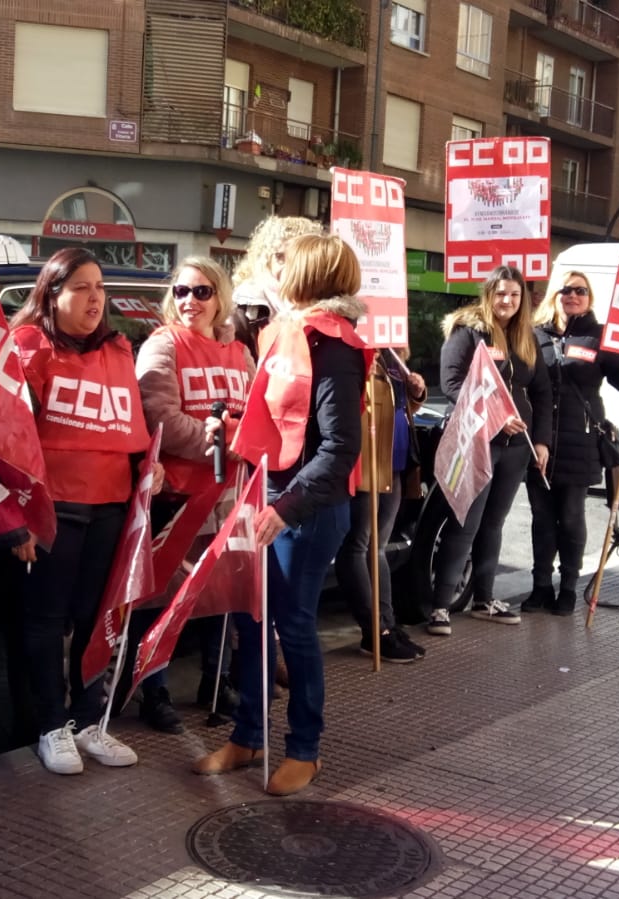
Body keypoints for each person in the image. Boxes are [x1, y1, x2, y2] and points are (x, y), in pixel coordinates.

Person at [196, 233, 369, 796]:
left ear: (310, 275)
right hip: (273, 496)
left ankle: (304, 750)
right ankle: (248, 736)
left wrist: (287, 507)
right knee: (251, 621)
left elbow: (339, 448)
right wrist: (231, 427)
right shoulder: (290, 333)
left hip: (306, 509)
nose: (275, 266)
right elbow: (276, 418)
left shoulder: (334, 346)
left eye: (285, 261)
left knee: (293, 626)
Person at [10, 247, 161, 775]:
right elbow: (9, 436)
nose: (95, 297)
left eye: (99, 287)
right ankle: (51, 727)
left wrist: (148, 467)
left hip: (111, 508)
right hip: (55, 508)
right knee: (47, 621)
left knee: (98, 619)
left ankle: (87, 722)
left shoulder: (119, 349)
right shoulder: (28, 348)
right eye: (81, 287)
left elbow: (132, 425)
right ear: (52, 294)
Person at [129, 256, 254, 732]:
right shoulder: (163, 344)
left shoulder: (239, 353)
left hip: (230, 494)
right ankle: (153, 690)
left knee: (219, 592)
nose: (189, 301)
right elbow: (158, 415)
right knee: (160, 596)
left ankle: (215, 680)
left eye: (201, 292)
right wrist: (221, 441)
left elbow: (255, 414)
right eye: (181, 291)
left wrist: (239, 435)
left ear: (220, 297)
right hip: (178, 496)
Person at [427, 265, 551, 634]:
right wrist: (495, 420)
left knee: (493, 524)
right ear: (488, 295)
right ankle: (440, 607)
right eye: (500, 294)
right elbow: (451, 384)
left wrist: (542, 441)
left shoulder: (526, 337)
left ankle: (484, 598)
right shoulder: (469, 333)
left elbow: (543, 392)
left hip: (517, 448)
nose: (507, 301)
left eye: (514, 295)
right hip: (477, 442)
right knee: (466, 522)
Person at [528, 270, 619, 616]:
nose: (573, 295)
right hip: (537, 440)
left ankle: (567, 587)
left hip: (579, 442)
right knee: (541, 518)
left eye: (580, 291)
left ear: (589, 298)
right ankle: (540, 586)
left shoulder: (599, 336)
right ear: (555, 294)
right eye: (566, 290)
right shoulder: (534, 335)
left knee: (570, 517)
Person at [333, 346, 427, 661]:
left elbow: (398, 408)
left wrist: (416, 393)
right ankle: (375, 631)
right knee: (358, 546)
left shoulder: (393, 357)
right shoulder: (356, 354)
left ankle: (386, 623)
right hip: (367, 463)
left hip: (393, 463)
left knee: (378, 548)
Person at [230, 215, 326, 357]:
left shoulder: (326, 310)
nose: (289, 266)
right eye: (280, 257)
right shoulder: (242, 312)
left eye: (297, 258)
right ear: (265, 258)